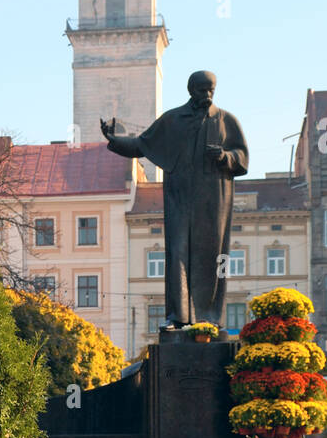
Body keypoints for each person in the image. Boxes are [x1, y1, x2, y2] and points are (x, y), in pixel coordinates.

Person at [101, 70, 248, 327]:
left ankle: (209, 318)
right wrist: (113, 140)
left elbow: (242, 158)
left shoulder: (226, 121)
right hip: (180, 199)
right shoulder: (172, 120)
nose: (207, 94)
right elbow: (141, 145)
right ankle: (178, 317)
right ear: (191, 91)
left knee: (213, 257)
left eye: (211, 89)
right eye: (202, 90)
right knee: (177, 254)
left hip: (214, 202)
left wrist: (224, 157)